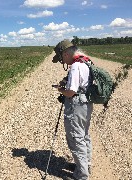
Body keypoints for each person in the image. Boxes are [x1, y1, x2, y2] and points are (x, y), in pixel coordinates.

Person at [52, 39, 93, 180]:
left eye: (61, 58)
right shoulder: (85, 61)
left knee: (76, 139)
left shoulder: (76, 66)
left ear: (66, 53)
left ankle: (81, 176)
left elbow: (71, 92)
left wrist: (60, 90)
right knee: (84, 135)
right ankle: (84, 166)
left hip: (76, 106)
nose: (62, 62)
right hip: (86, 104)